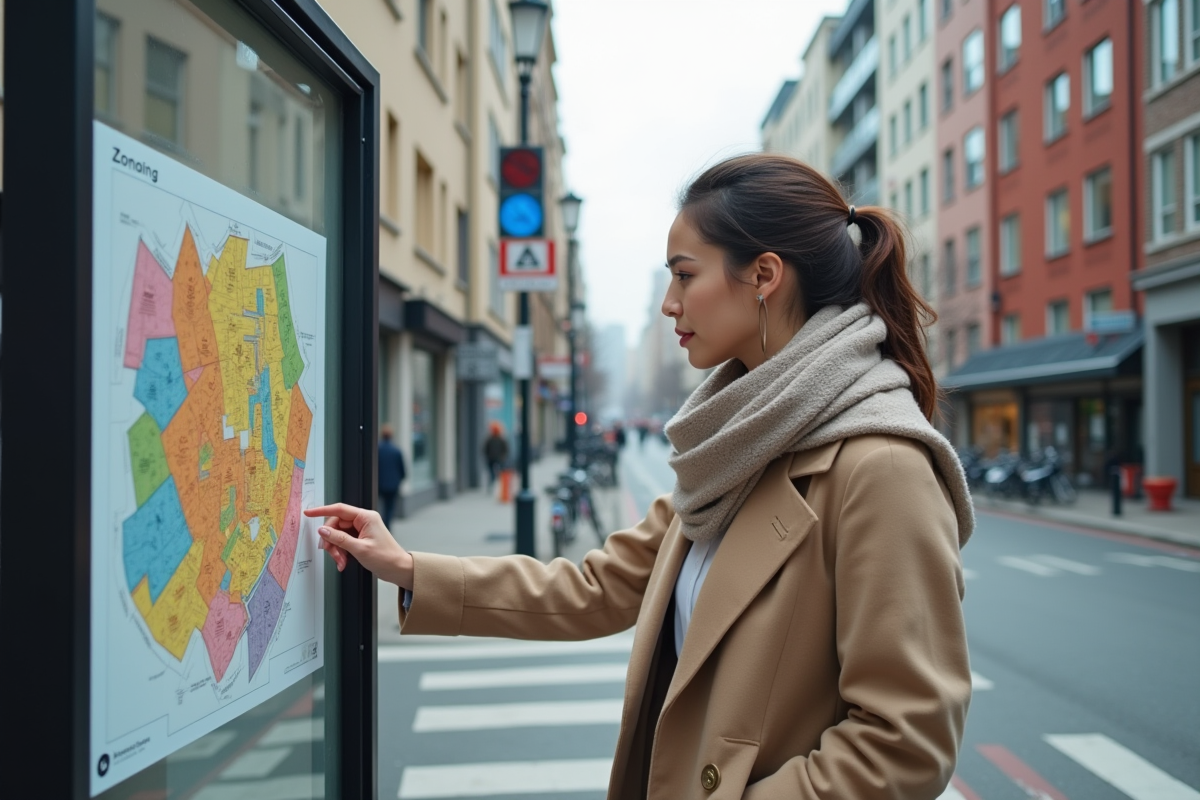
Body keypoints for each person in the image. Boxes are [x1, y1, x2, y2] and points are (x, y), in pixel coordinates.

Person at [307, 154, 974, 799]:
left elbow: (904, 740)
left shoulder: (880, 466)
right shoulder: (736, 443)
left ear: (764, 275)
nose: (668, 303)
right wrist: (410, 569)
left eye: (685, 276)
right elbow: (595, 587)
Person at [376, 424, 405, 526]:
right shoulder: (396, 451)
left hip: (379, 483)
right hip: (392, 485)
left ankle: (379, 524)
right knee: (389, 507)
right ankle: (387, 526)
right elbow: (402, 469)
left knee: (378, 505)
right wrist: (400, 479)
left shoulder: (377, 450)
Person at [482, 422, 509, 490]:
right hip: (494, 458)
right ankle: (494, 481)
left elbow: (505, 449)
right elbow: (485, 449)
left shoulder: (492, 439)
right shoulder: (496, 439)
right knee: (495, 472)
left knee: (495, 472)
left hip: (495, 458)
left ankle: (494, 481)